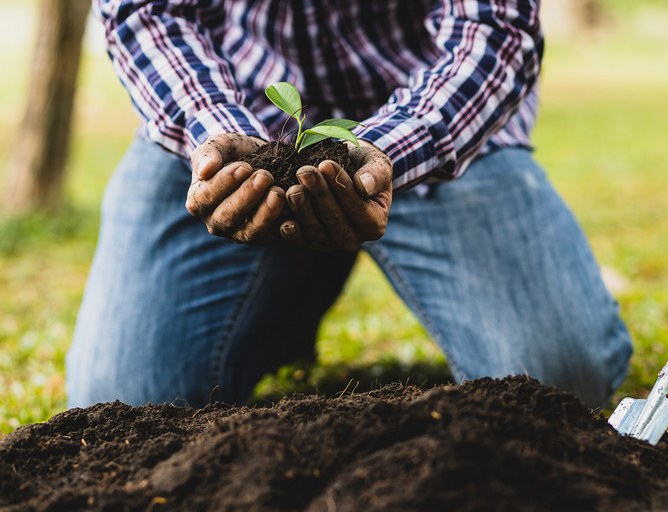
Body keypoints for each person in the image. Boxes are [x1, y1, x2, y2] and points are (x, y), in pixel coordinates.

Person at [67, 0, 632, 409]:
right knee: (118, 398)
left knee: (558, 381)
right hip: (231, 121)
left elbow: (495, 25)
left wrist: (386, 148)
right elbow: (147, 12)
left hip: (434, 129)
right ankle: (291, 288)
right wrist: (216, 136)